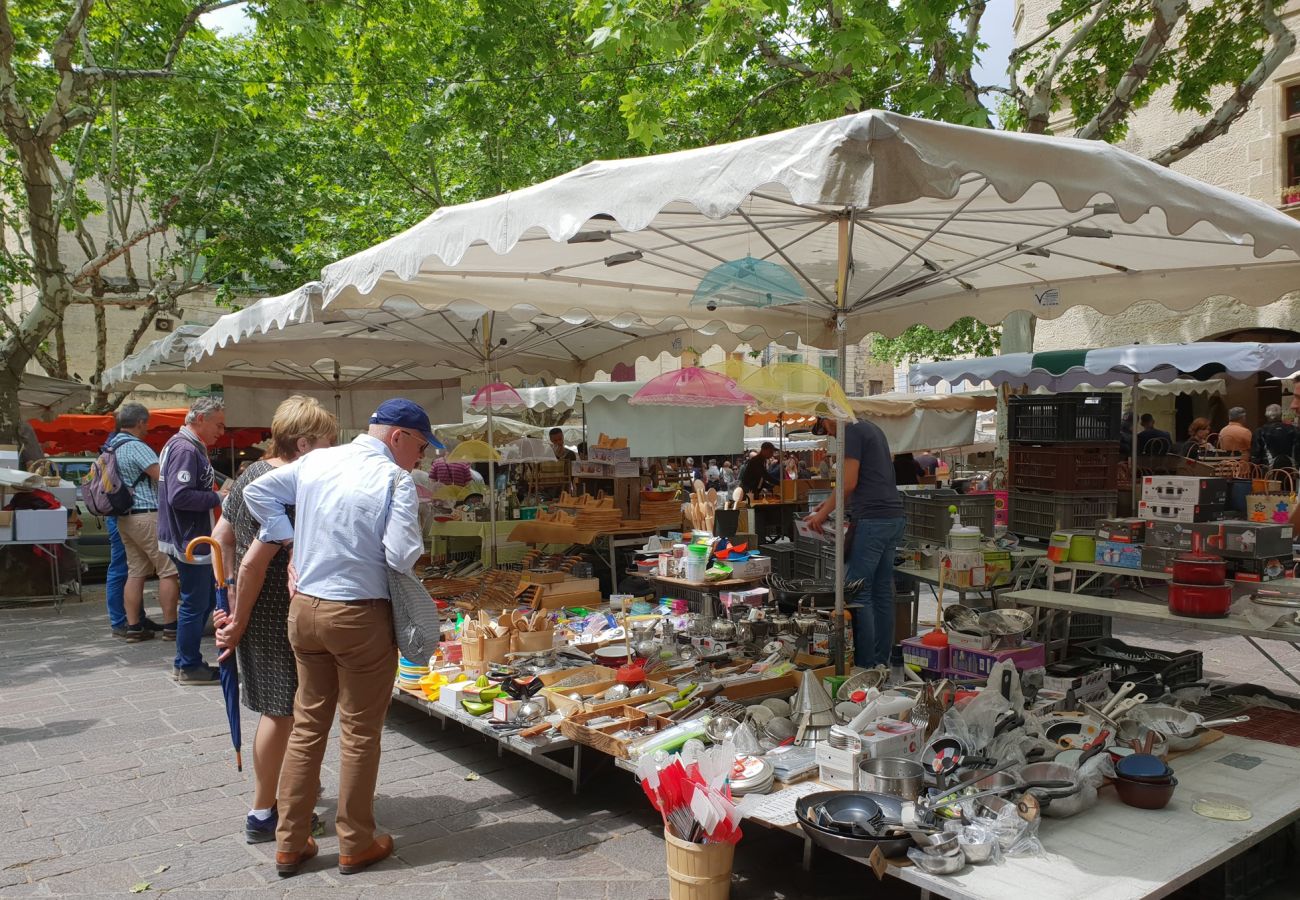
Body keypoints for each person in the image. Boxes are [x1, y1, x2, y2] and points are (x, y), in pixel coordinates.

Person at [243, 398, 431, 878]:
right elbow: (401, 552)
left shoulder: (319, 460)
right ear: (398, 437)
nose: (422, 457)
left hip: (304, 609)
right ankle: (355, 842)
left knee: (307, 727)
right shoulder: (395, 479)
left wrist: (289, 539)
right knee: (360, 733)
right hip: (358, 614)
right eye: (421, 446)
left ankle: (289, 842)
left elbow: (258, 492)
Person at [211, 397, 337, 846]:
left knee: (283, 707)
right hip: (271, 610)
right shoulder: (286, 484)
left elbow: (220, 539)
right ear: (303, 444)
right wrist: (238, 618)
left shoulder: (251, 473)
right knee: (282, 710)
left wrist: (224, 595)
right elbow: (255, 562)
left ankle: (290, 793)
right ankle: (264, 812)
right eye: (327, 441)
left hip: (255, 604)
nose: (333, 448)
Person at [804, 416, 905, 668]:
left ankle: (864, 665)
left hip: (872, 521)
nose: (831, 436)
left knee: (860, 593)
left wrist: (823, 514)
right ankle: (881, 662)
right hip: (891, 517)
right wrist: (826, 506)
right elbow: (864, 481)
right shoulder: (872, 427)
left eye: (825, 428)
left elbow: (848, 483)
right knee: (881, 593)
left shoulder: (851, 433)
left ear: (830, 418)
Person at [158, 396, 226, 684]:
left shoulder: (184, 445)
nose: (221, 432)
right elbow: (180, 495)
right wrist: (218, 497)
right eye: (219, 425)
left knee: (202, 600)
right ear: (201, 419)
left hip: (189, 536)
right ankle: (188, 664)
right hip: (190, 538)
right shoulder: (186, 448)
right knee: (196, 603)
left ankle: (186, 661)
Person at [110, 403, 180, 643]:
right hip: (147, 514)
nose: (148, 428)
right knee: (168, 570)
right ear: (140, 422)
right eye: (147, 423)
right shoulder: (135, 446)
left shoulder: (112, 446)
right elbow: (162, 476)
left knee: (135, 572)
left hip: (125, 518)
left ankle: (133, 628)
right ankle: (171, 626)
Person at [1252, 404, 1298, 470]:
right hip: (1291, 470)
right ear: (1281, 414)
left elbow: (1255, 454)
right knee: (1289, 480)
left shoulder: (1260, 431)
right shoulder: (1294, 429)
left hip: (1268, 470)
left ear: (1266, 415)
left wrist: (1256, 470)